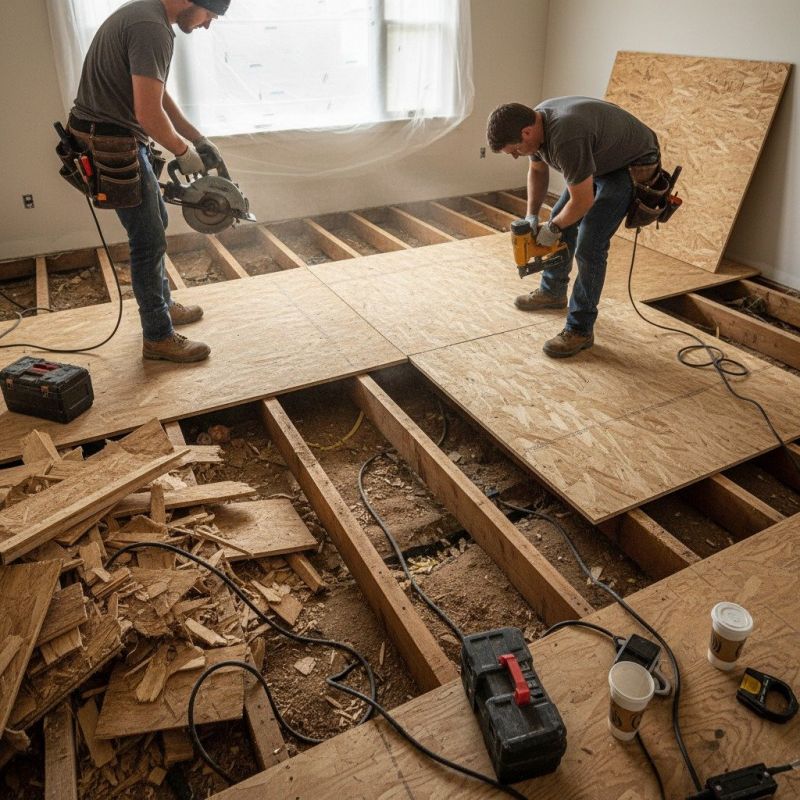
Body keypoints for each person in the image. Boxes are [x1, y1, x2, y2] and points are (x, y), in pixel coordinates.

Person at [68, 0, 232, 363]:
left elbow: (158, 96)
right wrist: (181, 150)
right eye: (211, 15)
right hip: (112, 140)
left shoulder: (146, 14)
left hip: (115, 134)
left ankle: (162, 305)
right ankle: (157, 336)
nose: (207, 26)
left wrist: (197, 139)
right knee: (148, 239)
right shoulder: (152, 27)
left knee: (156, 223)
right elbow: (148, 112)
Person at [487, 97, 660, 358]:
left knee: (590, 243)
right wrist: (532, 216)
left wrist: (553, 228)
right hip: (601, 156)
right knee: (560, 218)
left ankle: (580, 330)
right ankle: (553, 292)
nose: (514, 156)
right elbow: (537, 171)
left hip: (632, 163)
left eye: (514, 150)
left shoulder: (566, 137)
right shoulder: (534, 123)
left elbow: (582, 201)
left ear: (526, 133)